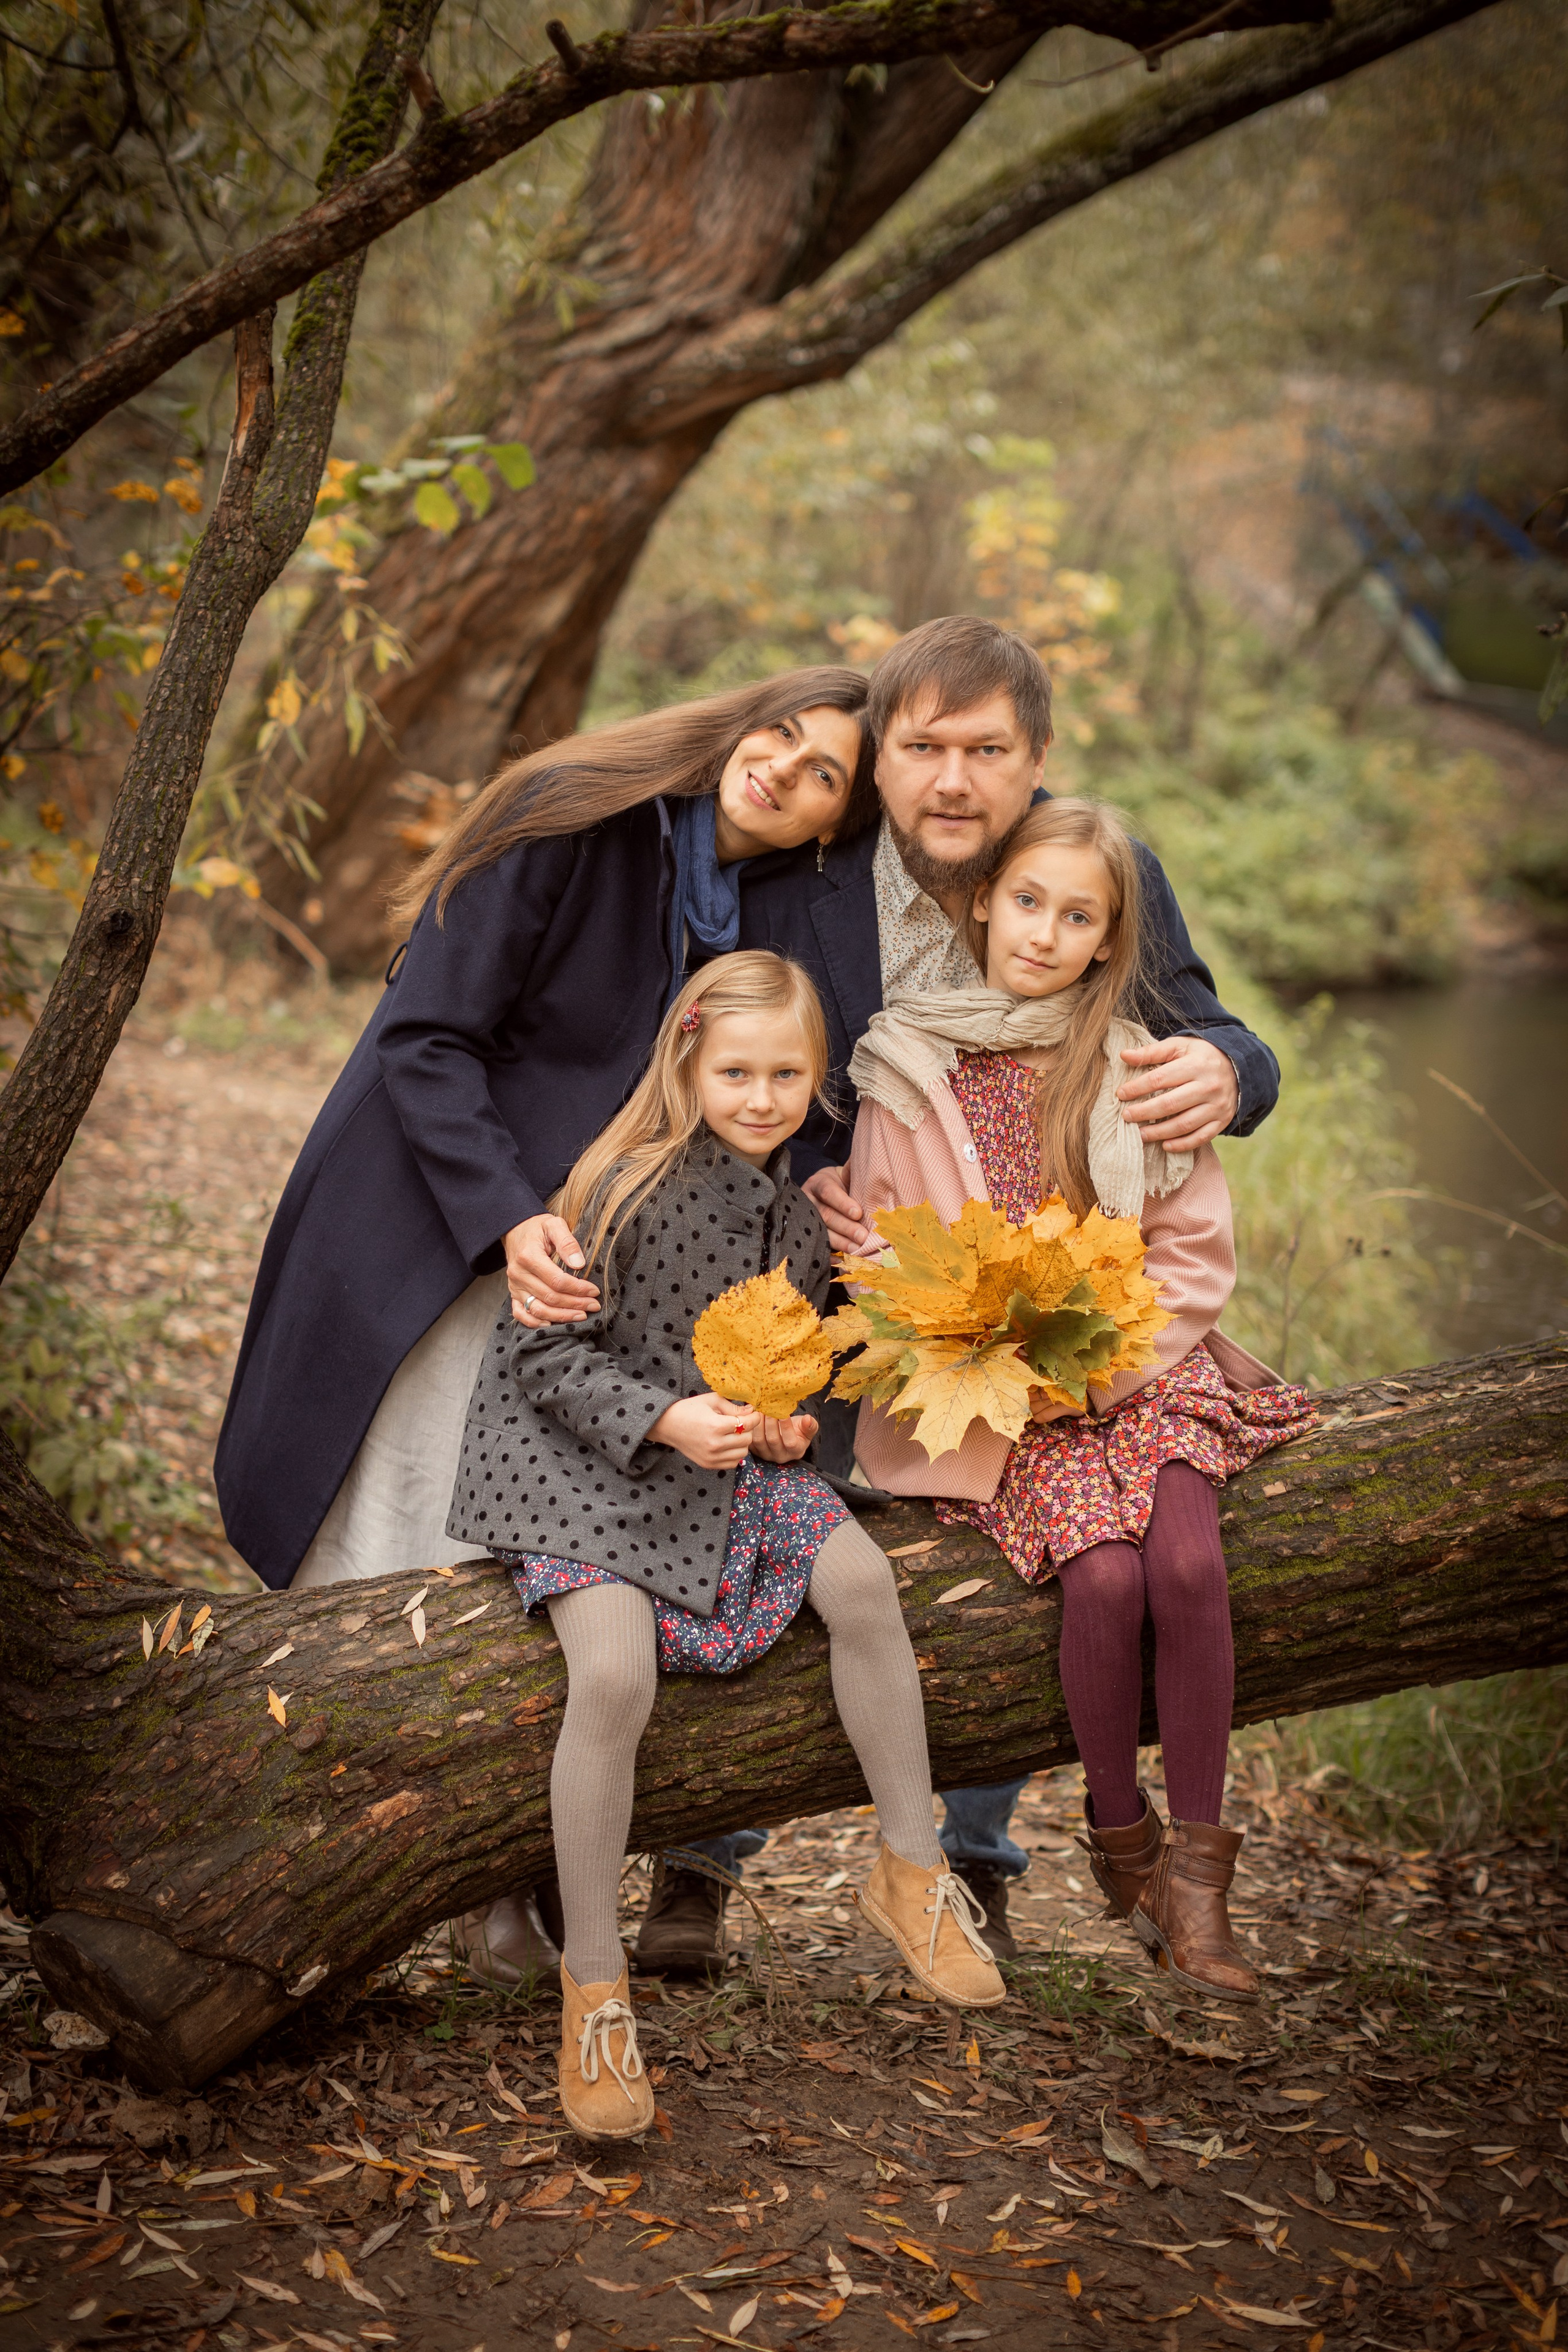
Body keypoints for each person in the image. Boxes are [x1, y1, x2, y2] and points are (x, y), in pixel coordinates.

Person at [589, 614, 1283, 1973]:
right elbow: (728, 1047)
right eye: (921, 749)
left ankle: (973, 1858)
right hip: (817, 1272)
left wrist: (1235, 1075)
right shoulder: (803, 877)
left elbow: (1200, 1027)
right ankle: (698, 1861)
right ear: (880, 755)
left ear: (1036, 760)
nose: (952, 781)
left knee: (1007, 1565)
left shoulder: (1090, 865)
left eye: (986, 751)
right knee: (757, 1516)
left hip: (1041, 1302)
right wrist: (803, 1188)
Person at [214, 667, 876, 1977]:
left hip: (602, 1282)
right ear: (735, 719)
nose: (784, 771)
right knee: (412, 1538)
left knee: (552, 1568)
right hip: (446, 1221)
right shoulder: (580, 815)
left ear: (824, 828)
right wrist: (511, 1219)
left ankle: (504, 1871)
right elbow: (426, 1039)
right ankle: (329, 1856)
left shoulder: (761, 917)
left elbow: (753, 1100)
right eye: (780, 736)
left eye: (822, 778)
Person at [447, 950, 1005, 2138]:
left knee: (860, 1581)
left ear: (818, 1081)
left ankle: (911, 1871)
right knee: (609, 1673)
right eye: (737, 1071)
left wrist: (783, 1420)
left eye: (787, 1074)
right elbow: (543, 1360)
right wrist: (661, 1417)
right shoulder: (617, 1189)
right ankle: (592, 1985)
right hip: (583, 1471)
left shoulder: (797, 1218)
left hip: (722, 1465)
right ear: (688, 1063)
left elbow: (784, 1366)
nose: (761, 1097)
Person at [841, 798, 1316, 2001]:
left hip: (1144, 1372)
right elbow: (888, 1256)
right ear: (981, 904)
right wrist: (997, 1356)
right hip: (1005, 1397)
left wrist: (1107, 1365)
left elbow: (1191, 1246)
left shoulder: (1134, 1064)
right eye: (1028, 905)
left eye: (1079, 918)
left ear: (1111, 941)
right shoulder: (905, 1067)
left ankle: (1199, 1886)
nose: (1046, 934)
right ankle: (1122, 1847)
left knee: (1186, 1568)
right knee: (1100, 1580)